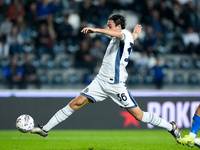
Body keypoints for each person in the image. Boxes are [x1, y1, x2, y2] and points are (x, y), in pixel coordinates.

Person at [31, 14, 181, 143]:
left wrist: (96, 30)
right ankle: (45, 129)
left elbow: (120, 35)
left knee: (139, 115)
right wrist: (135, 33)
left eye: (109, 25)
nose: (107, 28)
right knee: (75, 103)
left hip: (116, 85)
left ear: (118, 26)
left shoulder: (122, 34)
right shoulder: (127, 36)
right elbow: (130, 37)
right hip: (100, 81)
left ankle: (170, 127)